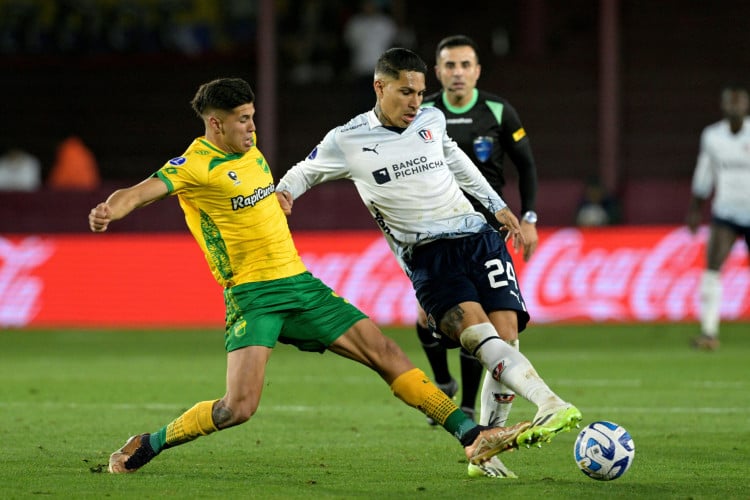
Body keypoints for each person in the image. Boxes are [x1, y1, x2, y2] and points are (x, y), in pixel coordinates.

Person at [89, 77, 531, 474]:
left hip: (301, 284)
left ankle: (472, 436)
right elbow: (141, 192)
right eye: (242, 120)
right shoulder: (194, 165)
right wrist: (112, 208)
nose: (251, 127)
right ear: (215, 124)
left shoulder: (250, 151)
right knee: (237, 408)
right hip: (253, 295)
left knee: (385, 351)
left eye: (253, 118)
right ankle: (150, 443)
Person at [276, 48, 582, 479]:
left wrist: (496, 206)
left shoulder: (431, 121)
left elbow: (456, 160)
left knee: (506, 337)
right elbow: (304, 171)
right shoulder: (346, 139)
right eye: (406, 92)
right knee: (478, 336)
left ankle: (489, 445)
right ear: (379, 87)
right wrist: (283, 192)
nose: (417, 102)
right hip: (428, 254)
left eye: (420, 92)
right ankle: (550, 402)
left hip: (478, 238)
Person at [416, 34, 541, 479]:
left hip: (487, 229)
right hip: (433, 228)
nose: (457, 72)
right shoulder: (423, 112)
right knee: (424, 318)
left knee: (492, 328)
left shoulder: (498, 111)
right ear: (438, 70)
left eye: (465, 64)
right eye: (449, 65)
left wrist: (527, 217)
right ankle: (445, 383)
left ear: (477, 70)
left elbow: (525, 164)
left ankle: (472, 409)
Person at [686, 83, 750, 351]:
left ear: (746, 106)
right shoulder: (712, 136)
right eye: (730, 102)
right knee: (712, 269)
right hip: (725, 212)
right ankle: (709, 333)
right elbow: (705, 171)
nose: (735, 107)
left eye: (739, 102)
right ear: (724, 106)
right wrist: (695, 208)